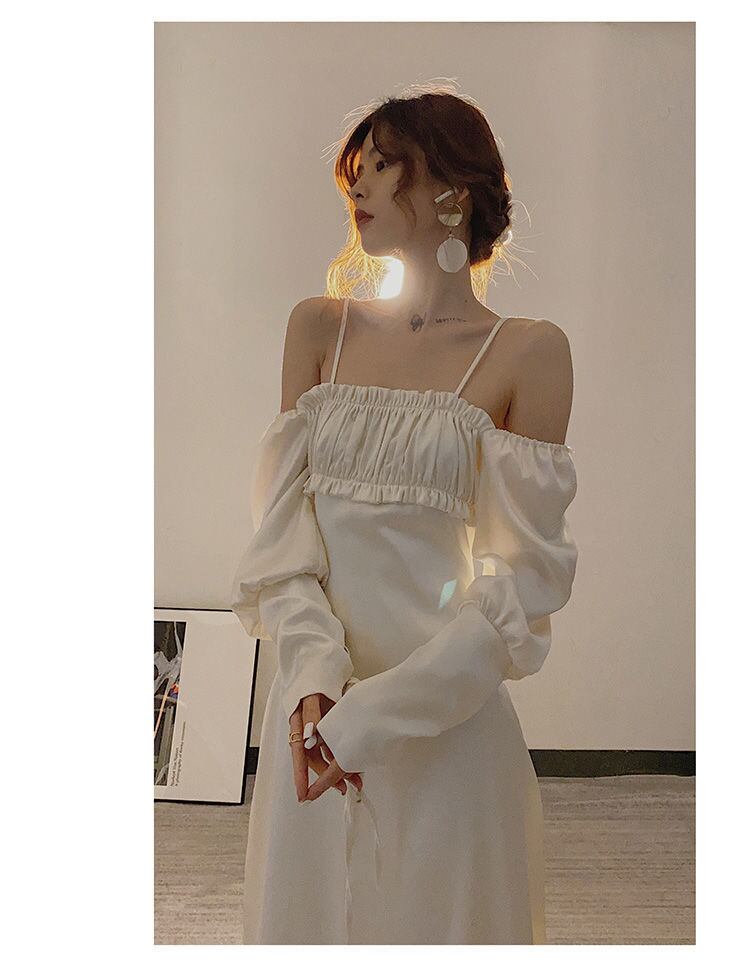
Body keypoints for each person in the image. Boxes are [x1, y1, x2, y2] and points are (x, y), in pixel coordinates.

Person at [230, 92, 578, 944]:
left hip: (444, 730)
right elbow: (283, 543)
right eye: (359, 166)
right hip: (311, 725)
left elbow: (519, 584)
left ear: (454, 188)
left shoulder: (529, 352)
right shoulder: (318, 329)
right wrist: (317, 681)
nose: (359, 183)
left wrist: (374, 719)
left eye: (386, 163)